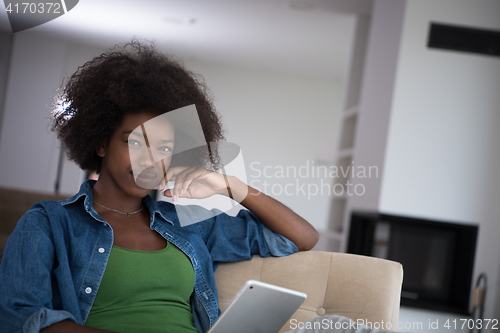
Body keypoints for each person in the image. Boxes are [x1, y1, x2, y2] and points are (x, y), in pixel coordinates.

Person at [0, 41, 319, 333]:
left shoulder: (186, 225)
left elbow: (301, 238)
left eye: (164, 148)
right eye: (135, 142)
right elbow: (20, 317)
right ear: (100, 142)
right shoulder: (49, 222)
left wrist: (230, 185)